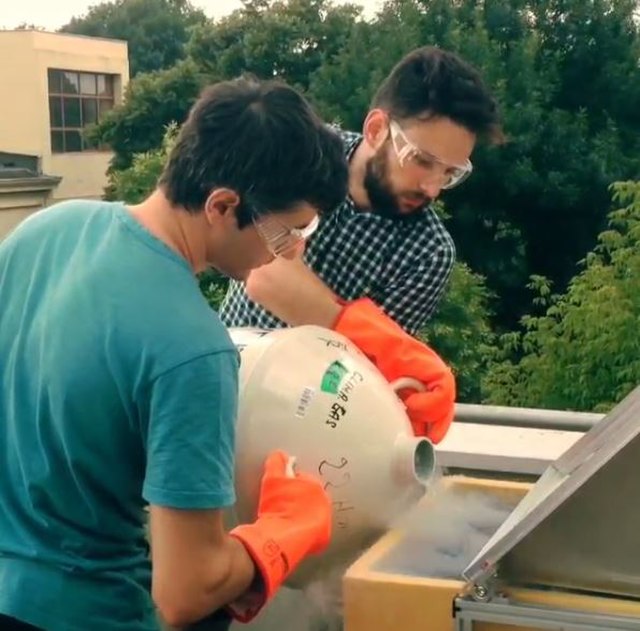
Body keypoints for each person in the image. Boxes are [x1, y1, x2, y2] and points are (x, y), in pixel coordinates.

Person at [0, 76, 350, 631]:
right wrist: (286, 530)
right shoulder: (194, 350)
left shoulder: (41, 232)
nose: (291, 252)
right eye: (286, 234)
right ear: (223, 205)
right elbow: (185, 589)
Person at [220, 46, 504, 445]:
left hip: (305, 426)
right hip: (222, 369)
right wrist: (371, 335)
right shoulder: (307, 151)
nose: (433, 188)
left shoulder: (428, 252)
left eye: (451, 173)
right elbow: (264, 275)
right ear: (376, 130)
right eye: (421, 160)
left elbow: (361, 377)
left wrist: (374, 348)